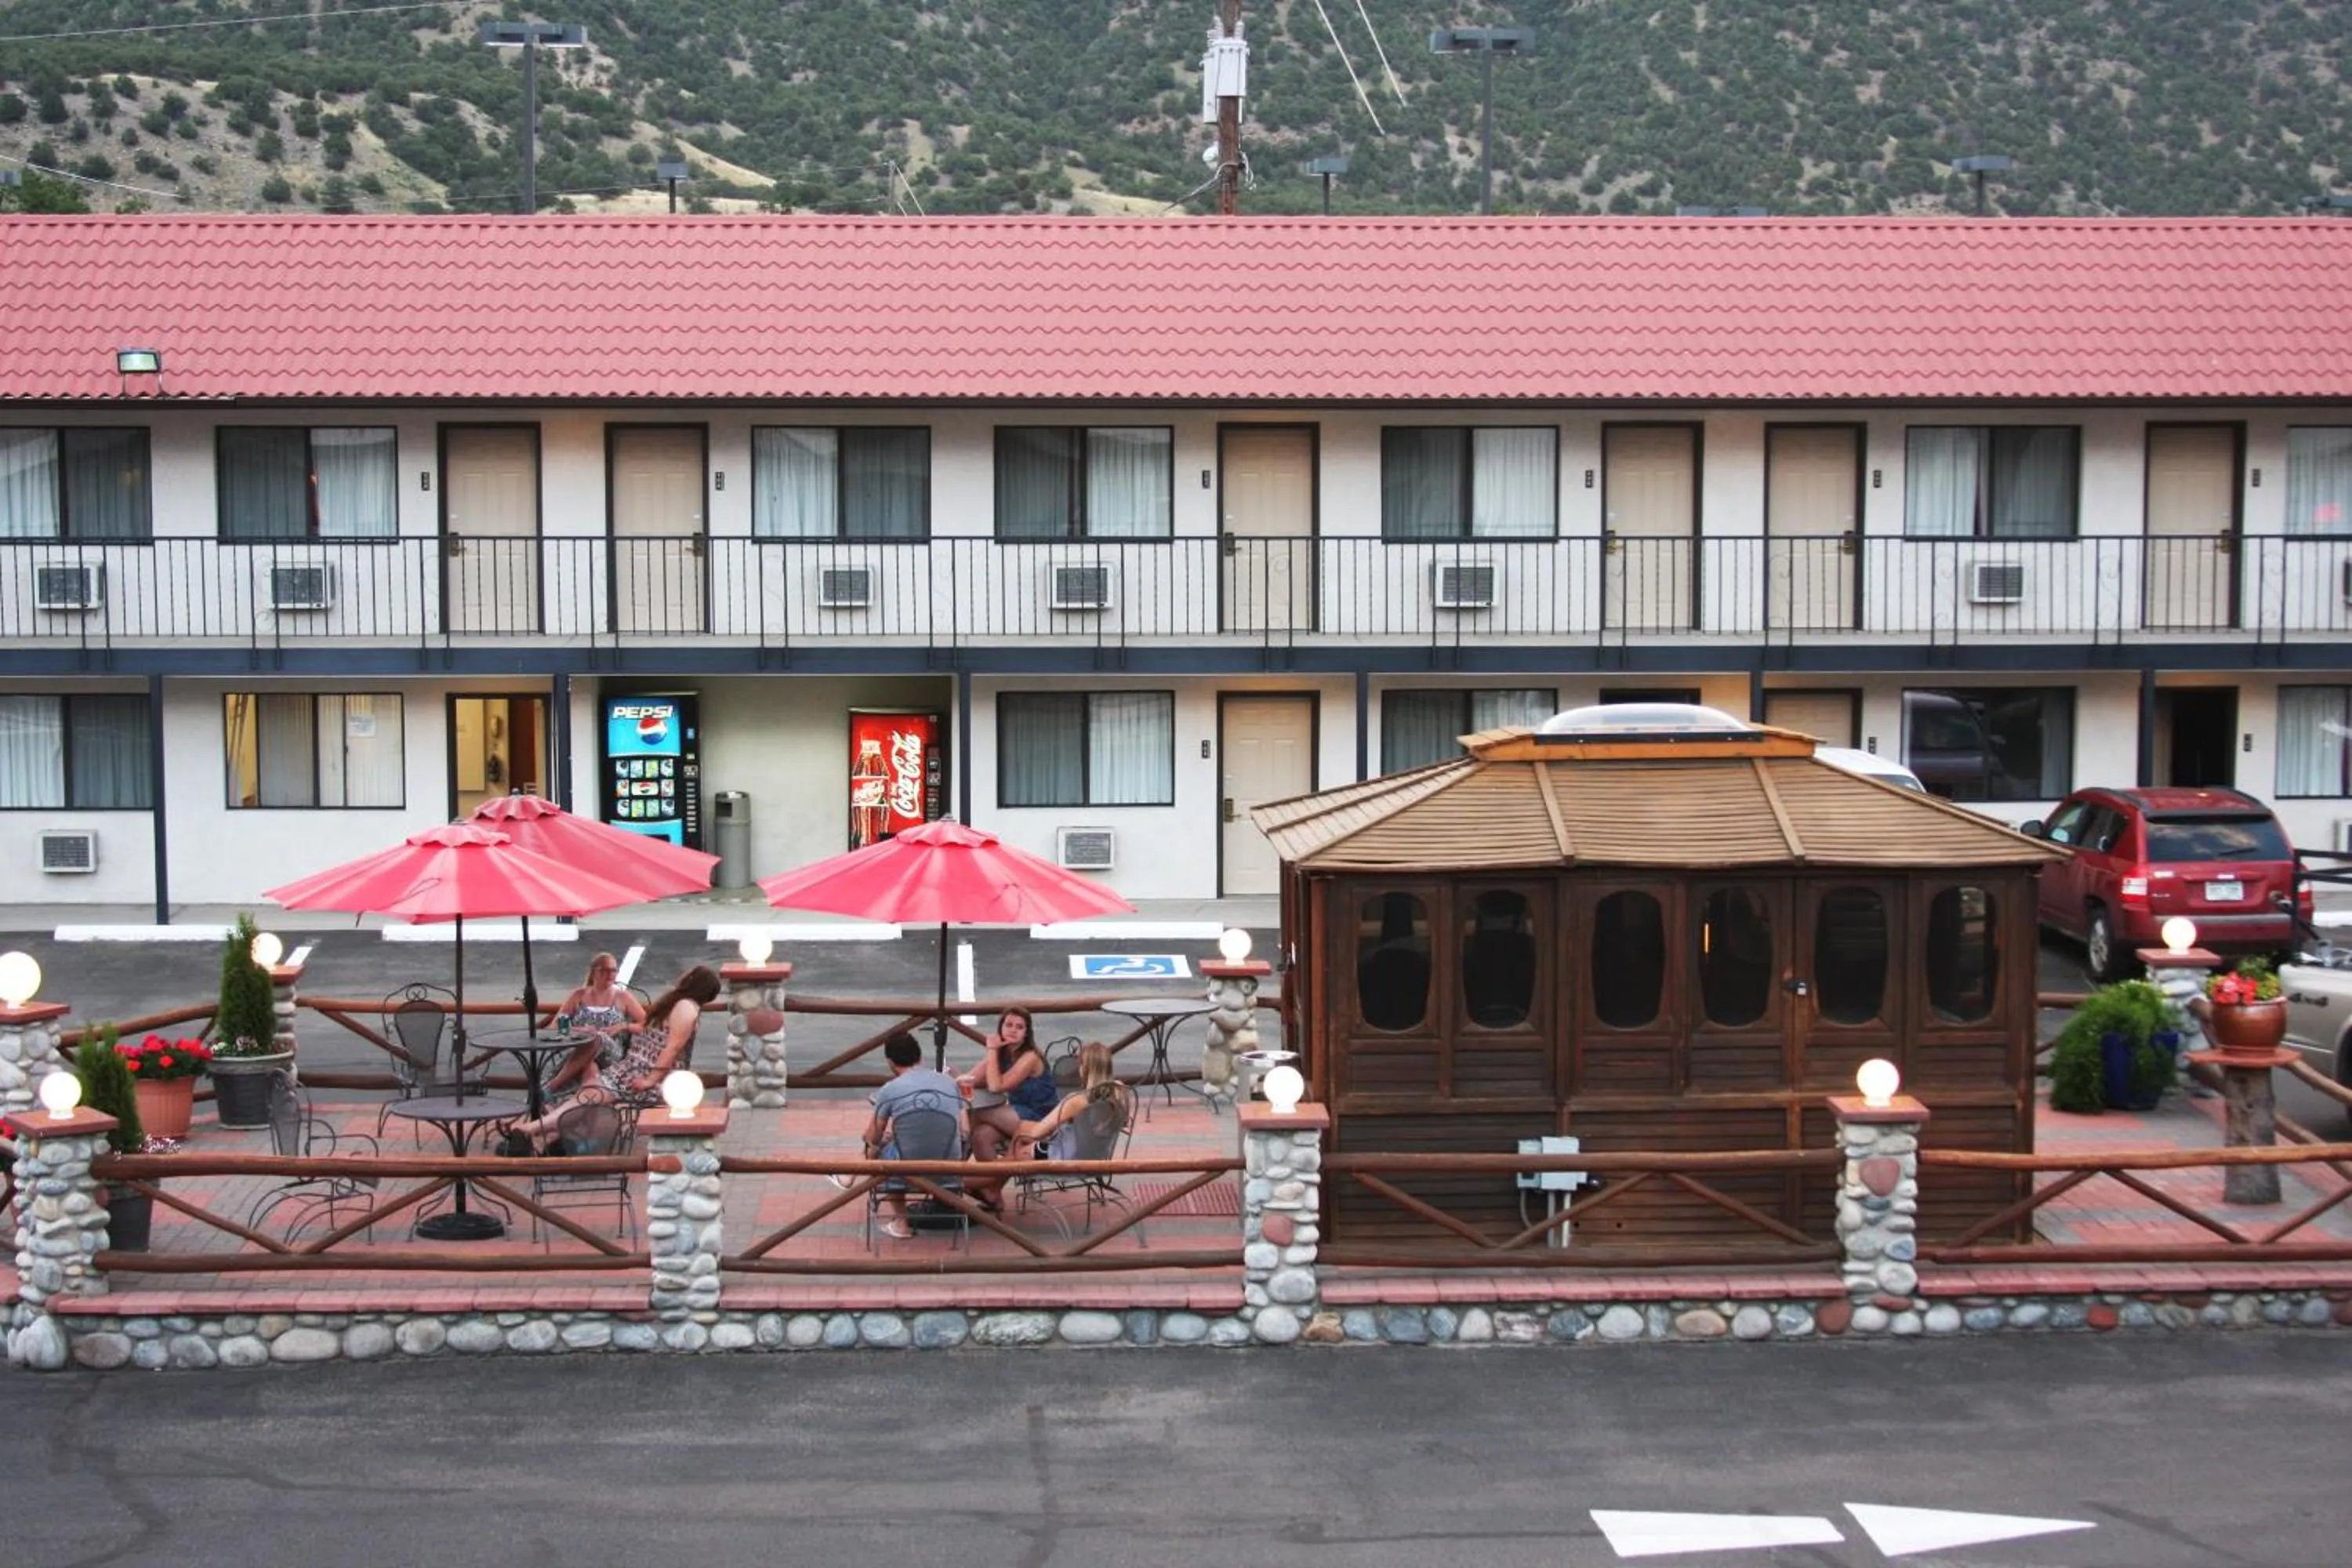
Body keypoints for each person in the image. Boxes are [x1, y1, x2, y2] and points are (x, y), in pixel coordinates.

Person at [503, 965, 720, 1152]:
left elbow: (673, 1048)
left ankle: (532, 1129)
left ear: (693, 981)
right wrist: (626, 1026)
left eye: (689, 974)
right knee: (590, 1082)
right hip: (632, 1068)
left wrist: (650, 1080)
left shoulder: (685, 1007)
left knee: (592, 1091)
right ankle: (556, 1137)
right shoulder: (678, 1003)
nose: (683, 975)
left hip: (648, 1075)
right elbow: (653, 1030)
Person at [836, 1031, 967, 1239]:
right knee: (901, 1141)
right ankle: (849, 1176)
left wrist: (882, 1138)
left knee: (877, 1147)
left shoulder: (890, 1090)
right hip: (950, 1170)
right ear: (920, 1057)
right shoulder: (949, 1083)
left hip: (904, 1174)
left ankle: (901, 1222)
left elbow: (873, 1137)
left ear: (890, 1062)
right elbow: (965, 1129)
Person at [541, 952, 647, 1103]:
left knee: (597, 1037)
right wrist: (579, 1030)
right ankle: (581, 1108)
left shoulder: (623, 997)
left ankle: (551, 1087)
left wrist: (623, 1026)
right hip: (579, 1049)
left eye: (613, 970)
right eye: (604, 970)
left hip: (611, 1051)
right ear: (593, 972)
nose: (610, 974)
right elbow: (555, 1026)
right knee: (590, 1068)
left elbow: (648, 1024)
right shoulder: (578, 995)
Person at [959, 1006, 1059, 1165]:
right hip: (1017, 1114)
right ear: (1001, 1028)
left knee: (975, 1113)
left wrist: (992, 1050)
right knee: (981, 1136)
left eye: (1019, 1027)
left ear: (1026, 1034)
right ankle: (991, 1179)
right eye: (1009, 1025)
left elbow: (996, 1086)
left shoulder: (1030, 1058)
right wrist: (952, 1077)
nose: (1013, 1030)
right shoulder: (1002, 1054)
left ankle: (958, 1153)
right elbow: (970, 1079)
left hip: (1042, 1120)